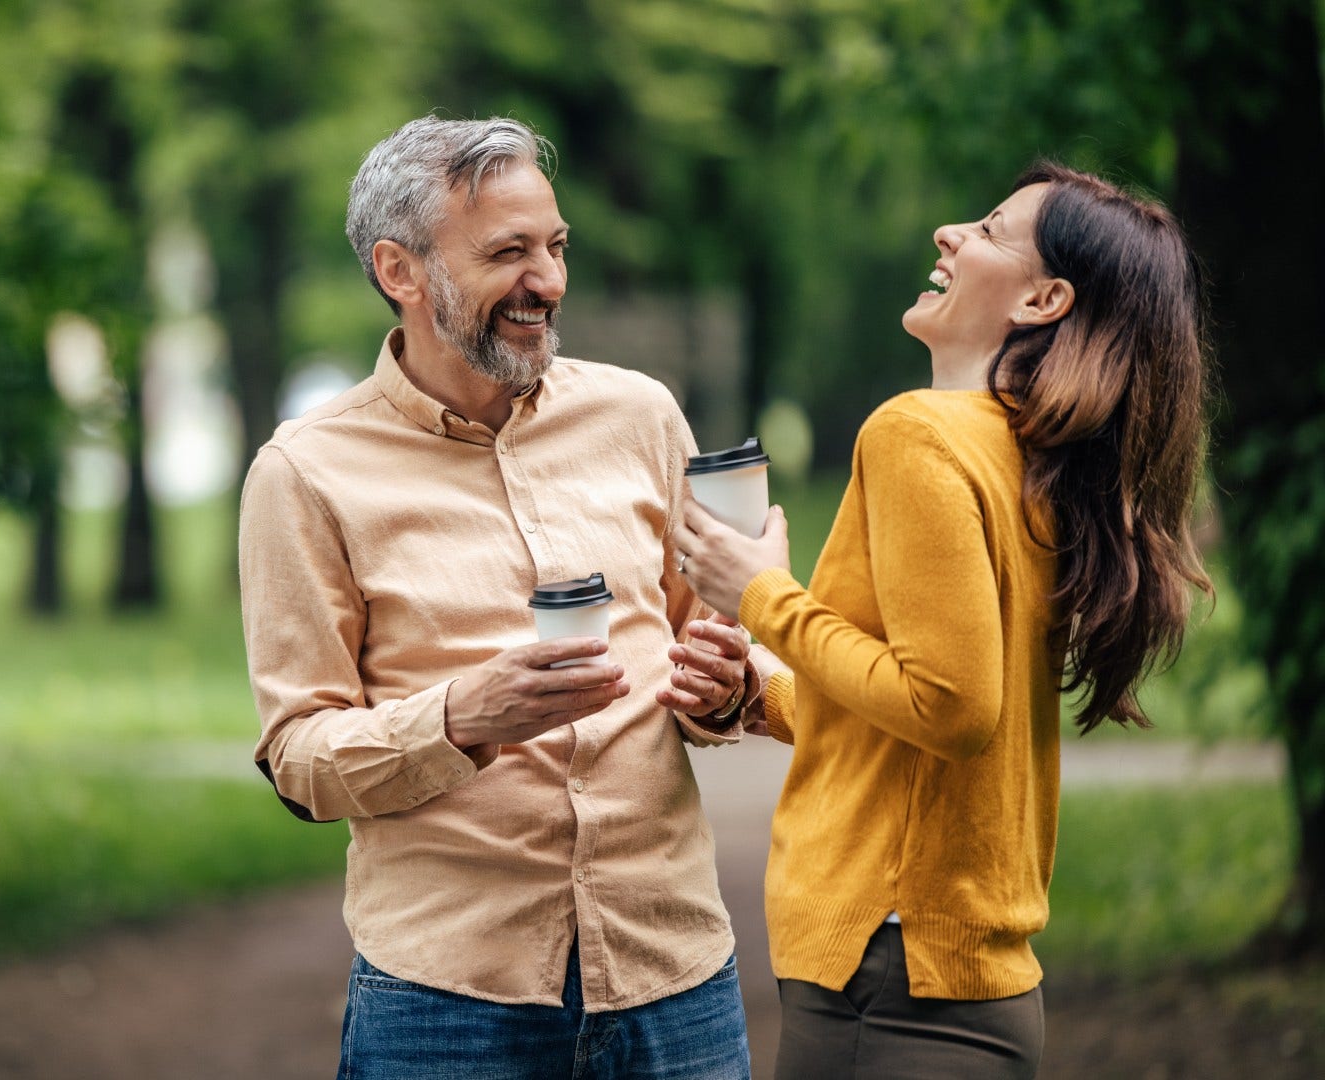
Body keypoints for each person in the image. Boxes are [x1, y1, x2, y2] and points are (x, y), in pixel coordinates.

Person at [238, 115, 758, 1079]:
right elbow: (298, 755)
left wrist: (727, 687)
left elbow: (712, 638)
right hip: (447, 1003)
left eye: (556, 247)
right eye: (508, 253)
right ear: (401, 270)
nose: (549, 282)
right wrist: (461, 717)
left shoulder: (640, 416)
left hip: (673, 976)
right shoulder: (305, 474)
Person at [674, 161, 1211, 1078]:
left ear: (1044, 298)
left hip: (885, 980)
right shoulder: (1025, 456)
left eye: (992, 231)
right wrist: (757, 698)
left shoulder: (915, 435)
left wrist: (760, 593)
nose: (948, 234)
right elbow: (922, 707)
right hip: (961, 980)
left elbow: (953, 706)